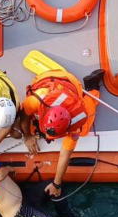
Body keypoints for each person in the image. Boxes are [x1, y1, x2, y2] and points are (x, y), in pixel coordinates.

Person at [18, 68, 104, 199]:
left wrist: (56, 184)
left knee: (86, 127)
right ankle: (92, 88)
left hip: (70, 82)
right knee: (27, 126)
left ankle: (93, 87)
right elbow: (24, 115)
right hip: (46, 79)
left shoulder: (77, 123)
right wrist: (27, 136)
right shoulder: (36, 100)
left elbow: (65, 153)